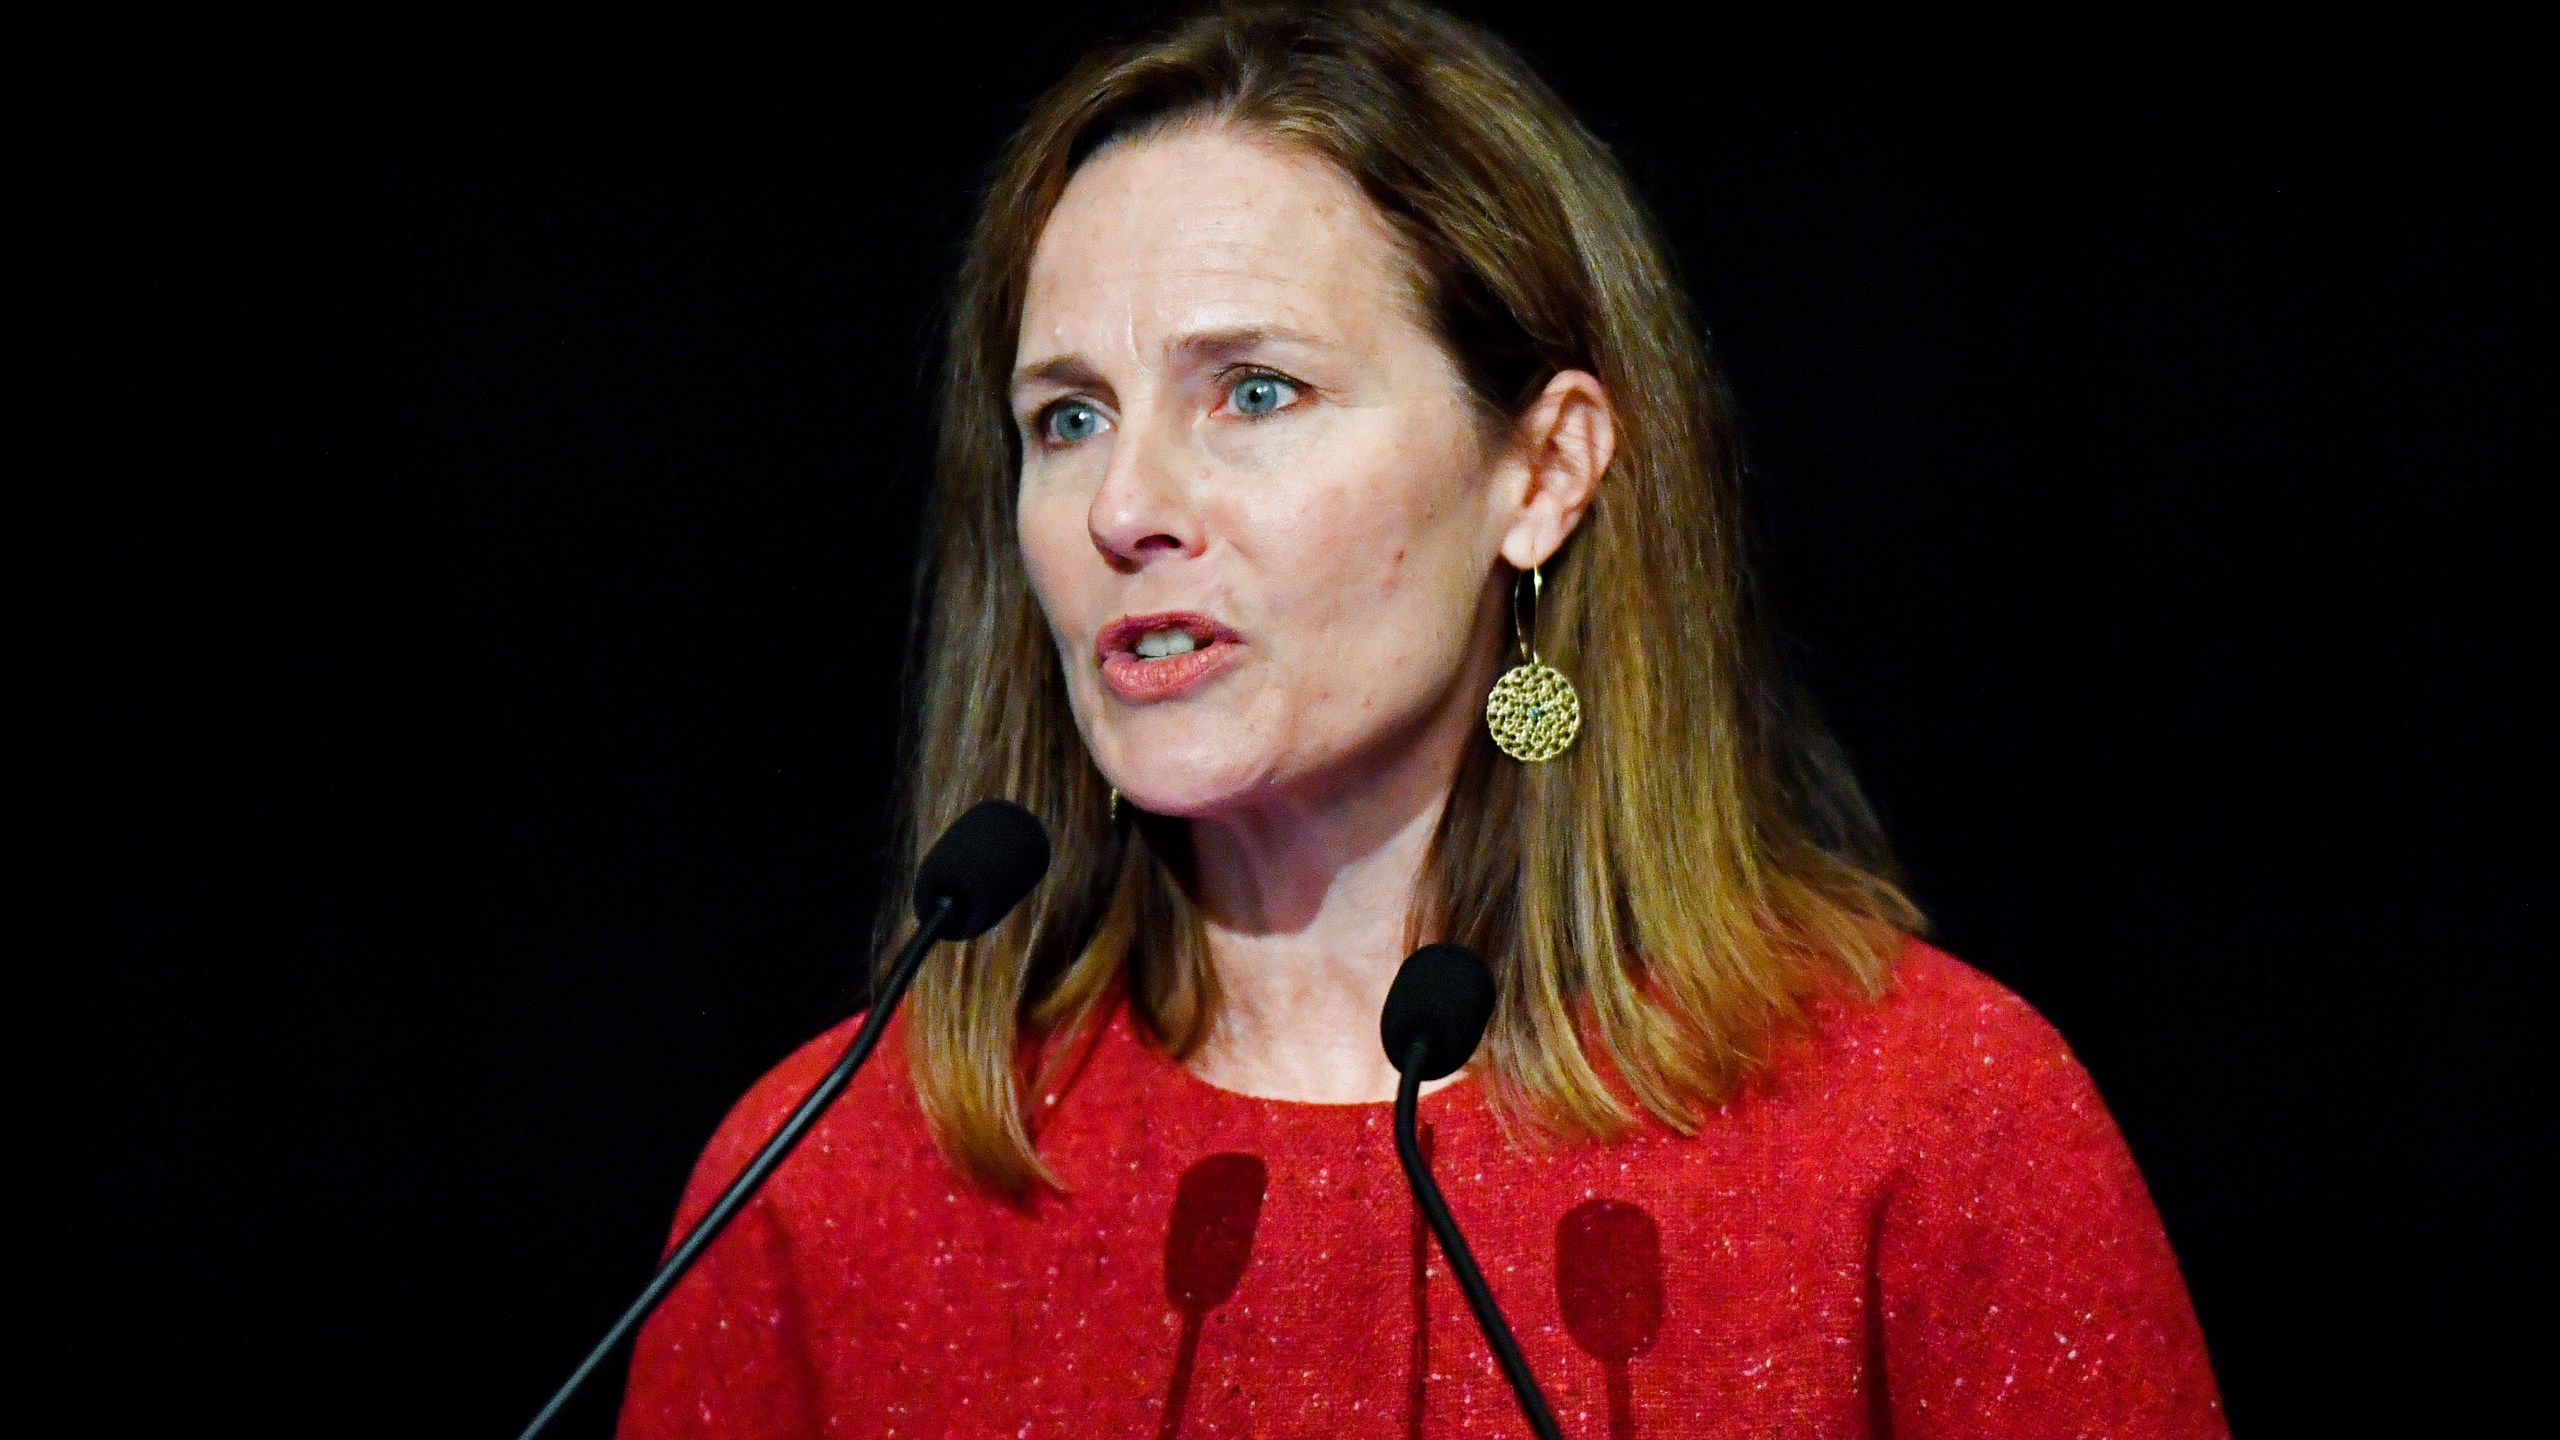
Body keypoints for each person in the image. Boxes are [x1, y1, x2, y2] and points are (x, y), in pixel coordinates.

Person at [619, 2, 2225, 1435]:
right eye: (1068, 417)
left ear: (1541, 474)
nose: (1124, 506)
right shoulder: (828, 1186)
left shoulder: (1932, 1127)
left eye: (1253, 392)